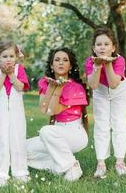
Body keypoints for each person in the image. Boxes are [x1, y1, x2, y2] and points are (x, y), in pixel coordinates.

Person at [26, 47, 89, 181]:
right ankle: (60, 165)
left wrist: (58, 89)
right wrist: (52, 87)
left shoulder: (76, 87)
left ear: (70, 66)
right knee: (21, 150)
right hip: (56, 131)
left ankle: (73, 166)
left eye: (65, 60)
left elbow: (52, 111)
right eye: (57, 60)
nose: (61, 63)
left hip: (74, 134)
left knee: (46, 131)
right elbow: (44, 109)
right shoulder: (46, 83)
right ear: (51, 65)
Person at [85, 27, 126, 177]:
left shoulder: (120, 60)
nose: (102, 47)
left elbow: (113, 83)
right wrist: (97, 66)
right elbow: (93, 85)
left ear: (113, 48)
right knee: (101, 124)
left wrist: (108, 63)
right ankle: (101, 163)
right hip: (100, 91)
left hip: (119, 91)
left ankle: (120, 161)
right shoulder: (90, 62)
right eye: (98, 44)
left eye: (106, 44)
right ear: (94, 48)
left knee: (119, 123)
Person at [0, 41, 30, 186]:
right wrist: (3, 75)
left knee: (18, 139)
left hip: (17, 112)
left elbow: (20, 87)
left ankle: (20, 171)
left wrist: (11, 75)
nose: (8, 59)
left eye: (11, 56)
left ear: (16, 57)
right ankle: (2, 173)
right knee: (3, 140)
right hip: (2, 113)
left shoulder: (19, 70)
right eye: (4, 56)